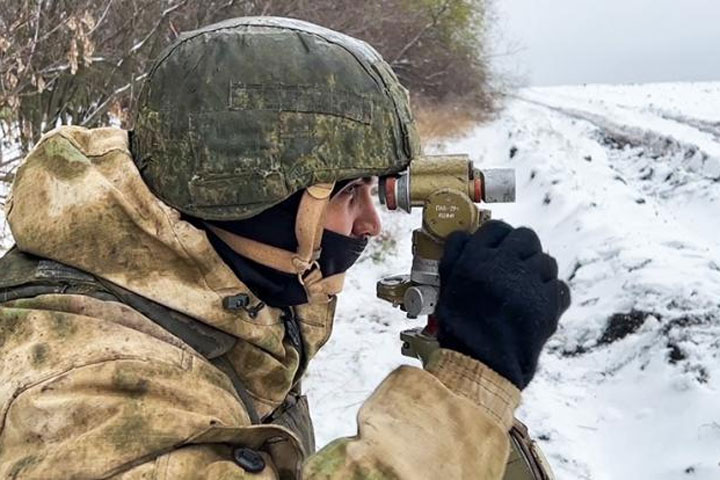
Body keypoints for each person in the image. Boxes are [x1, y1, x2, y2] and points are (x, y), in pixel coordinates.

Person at [0, 17, 569, 479]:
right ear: (249, 193)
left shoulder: (222, 285)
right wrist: (467, 388)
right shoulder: (81, 395)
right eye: (350, 193)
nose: (372, 224)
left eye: (374, 191)